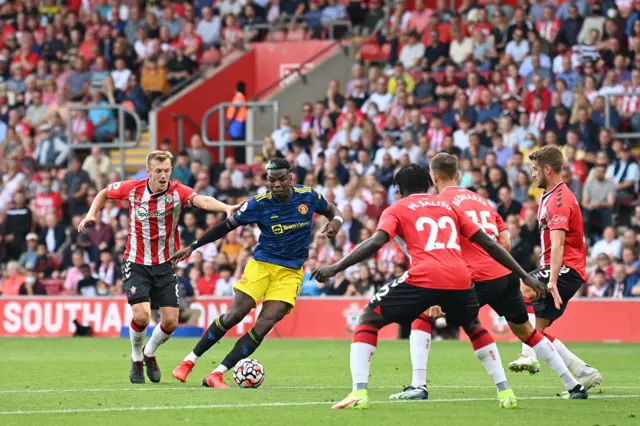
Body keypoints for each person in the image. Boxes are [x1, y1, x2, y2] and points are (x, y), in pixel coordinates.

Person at [311, 164, 546, 410]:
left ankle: (359, 392)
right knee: (474, 325)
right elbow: (490, 243)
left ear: (399, 189)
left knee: (369, 318)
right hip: (460, 278)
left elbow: (376, 242)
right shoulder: (448, 207)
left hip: (424, 276)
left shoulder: (397, 209)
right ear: (428, 185)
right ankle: (505, 391)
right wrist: (525, 276)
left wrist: (335, 267)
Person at [390, 154, 588, 401]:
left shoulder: (439, 204)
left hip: (475, 277)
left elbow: (442, 246)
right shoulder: (482, 201)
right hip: (503, 275)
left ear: (434, 177)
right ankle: (574, 386)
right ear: (459, 175)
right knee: (527, 331)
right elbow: (505, 241)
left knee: (424, 315)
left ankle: (418, 385)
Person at [169, 159, 344, 387]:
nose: (277, 185)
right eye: (272, 181)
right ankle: (188, 362)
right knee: (235, 314)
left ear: (290, 178)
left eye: (281, 179)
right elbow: (225, 227)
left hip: (290, 273)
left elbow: (332, 210)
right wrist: (193, 247)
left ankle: (217, 374)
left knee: (264, 324)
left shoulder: (308, 196)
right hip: (262, 265)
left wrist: (336, 222)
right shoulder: (258, 204)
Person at [77, 150, 240, 385]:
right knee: (141, 316)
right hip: (136, 262)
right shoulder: (133, 189)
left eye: (167, 171)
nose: (163, 175)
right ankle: (135, 359)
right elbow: (104, 193)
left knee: (171, 322)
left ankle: (149, 353)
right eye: (159, 171)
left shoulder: (177, 192)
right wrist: (92, 214)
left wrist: (225, 207)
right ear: (149, 172)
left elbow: (202, 200)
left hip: (165, 264)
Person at [508, 146, 602, 394]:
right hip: (561, 268)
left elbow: (559, 243)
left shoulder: (560, 200)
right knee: (534, 333)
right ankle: (582, 375)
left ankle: (528, 356)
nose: (532, 174)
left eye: (535, 169)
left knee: (522, 287)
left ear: (547, 169)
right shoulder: (551, 195)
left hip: (565, 269)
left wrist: (550, 280)